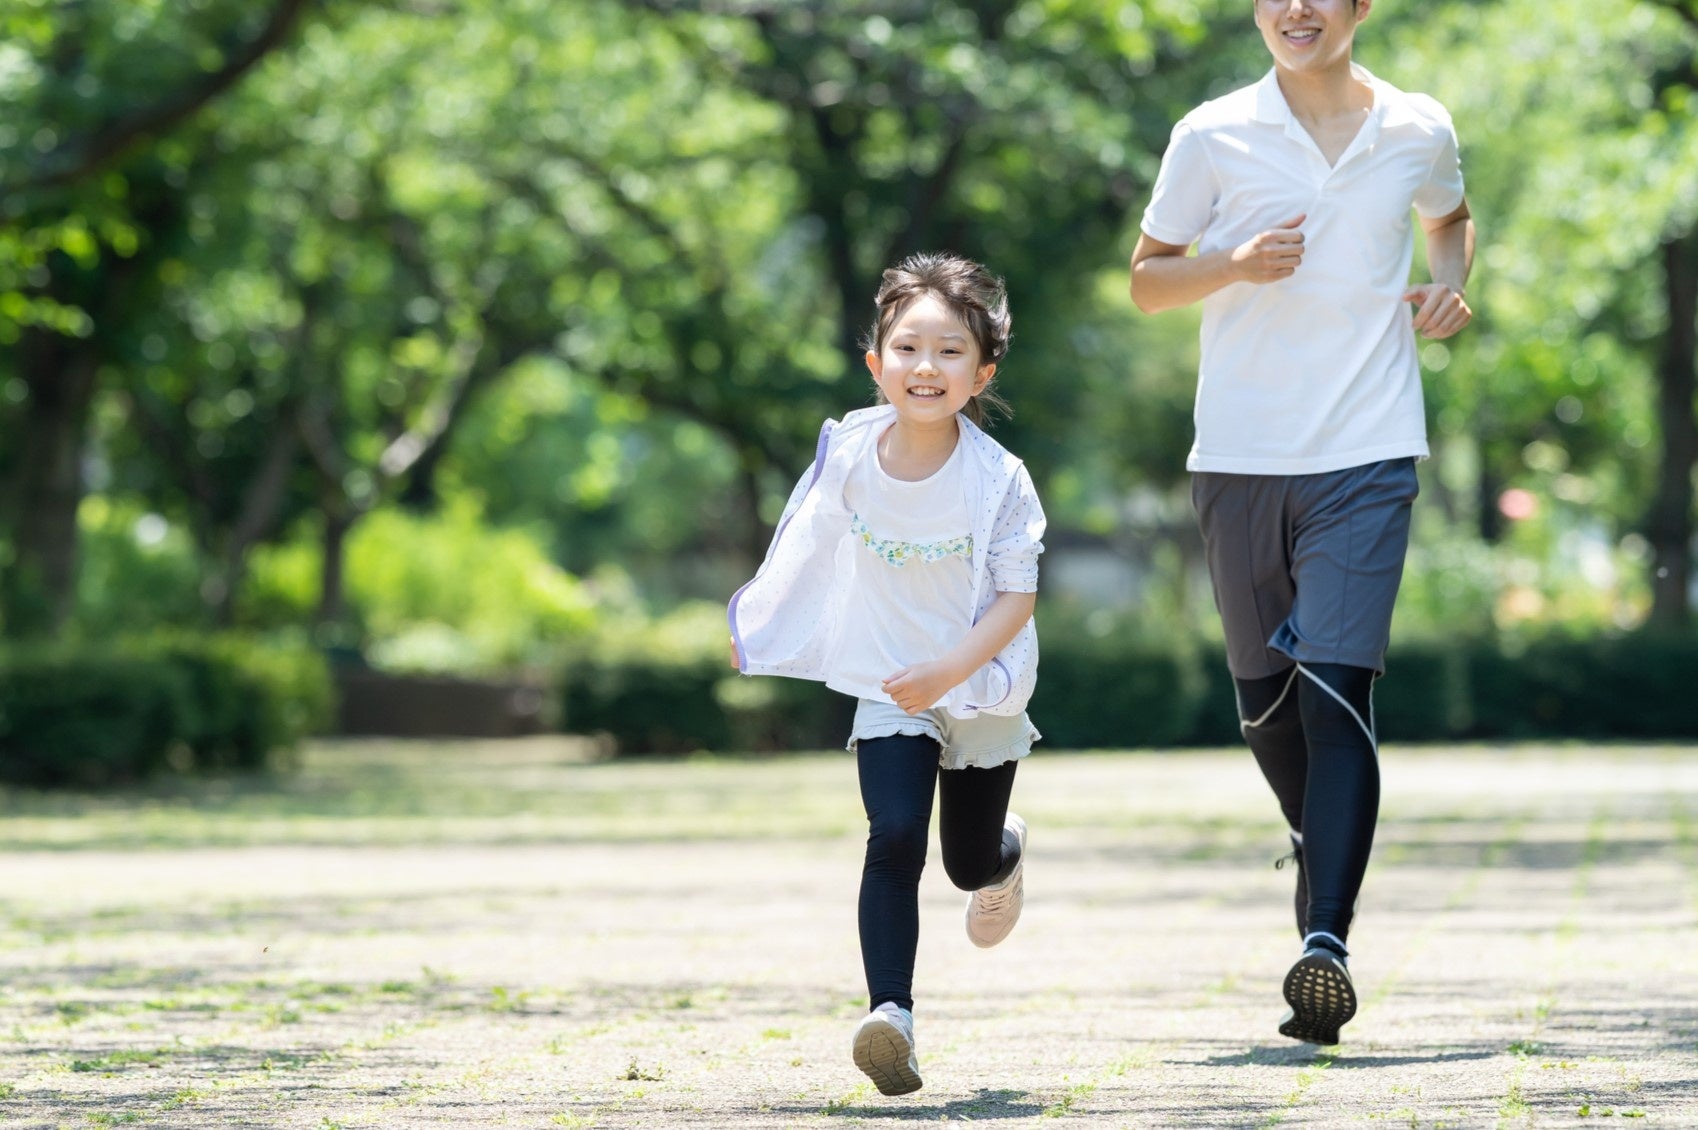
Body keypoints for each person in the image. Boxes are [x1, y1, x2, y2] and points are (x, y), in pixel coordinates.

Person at [1128, 0, 1475, 1046]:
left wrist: (1450, 284)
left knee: (1336, 688)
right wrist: (1232, 265)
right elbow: (1146, 280)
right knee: (1269, 707)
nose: (1297, 9)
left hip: (1367, 451)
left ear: (1361, 7)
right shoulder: (1212, 131)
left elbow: (1448, 218)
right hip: (1239, 458)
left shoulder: (1417, 125)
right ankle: (1313, 833)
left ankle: (1324, 940)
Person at [728, 252, 1045, 1095]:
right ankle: (892, 1017)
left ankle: (1003, 859)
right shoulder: (851, 453)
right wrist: (763, 623)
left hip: (977, 684)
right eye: (907, 348)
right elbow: (804, 543)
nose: (925, 367)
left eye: (949, 352)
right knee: (893, 836)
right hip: (890, 686)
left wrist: (949, 670)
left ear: (981, 374)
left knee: (963, 862)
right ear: (876, 364)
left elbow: (1018, 599)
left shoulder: (999, 480)